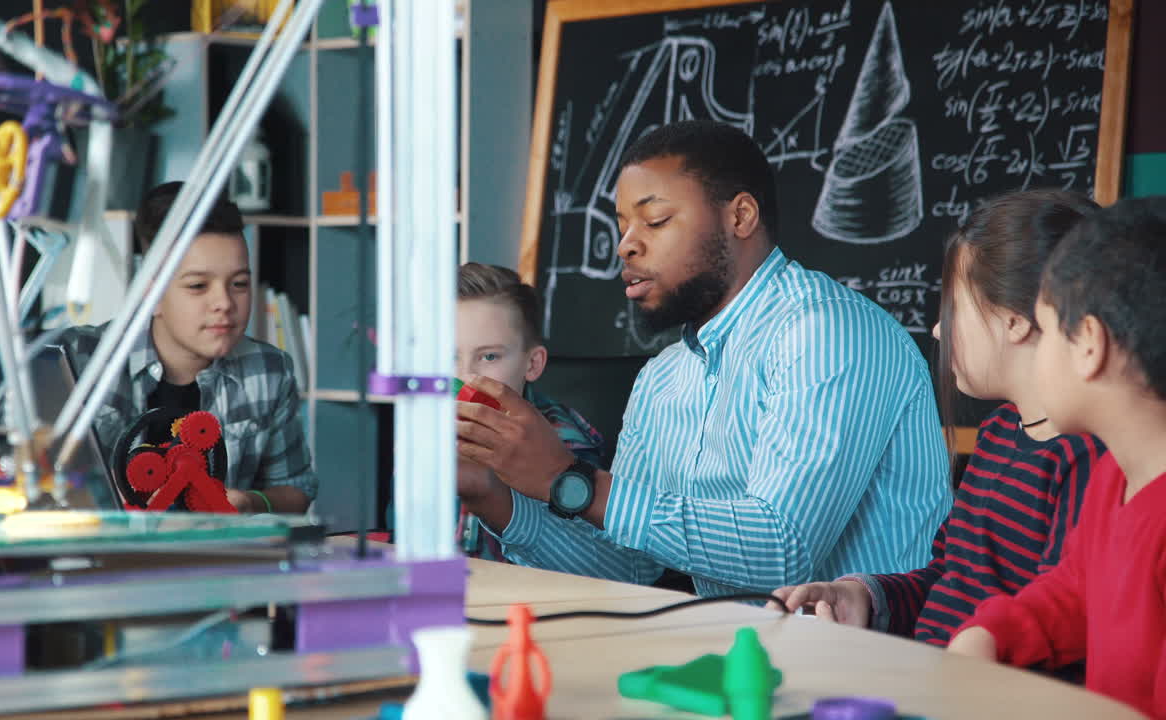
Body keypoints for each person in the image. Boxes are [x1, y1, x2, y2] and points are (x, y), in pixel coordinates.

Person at [455, 120, 951, 595]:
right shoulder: (662, 378)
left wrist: (568, 479)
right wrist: (490, 495)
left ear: (740, 217)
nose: (626, 246)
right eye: (622, 226)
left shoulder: (826, 331)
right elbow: (629, 569)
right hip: (737, 645)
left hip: (865, 651)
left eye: (655, 220)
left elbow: (783, 550)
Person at [767, 190, 1102, 669]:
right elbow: (949, 579)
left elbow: (1061, 625)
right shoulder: (998, 433)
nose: (939, 331)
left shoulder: (1086, 457)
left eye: (953, 310)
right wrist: (865, 598)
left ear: (1015, 321)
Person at [948, 196, 1166, 718]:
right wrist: (992, 633)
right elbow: (1075, 590)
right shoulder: (1115, 475)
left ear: (1089, 344)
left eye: (1046, 330)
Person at [63, 182, 315, 514]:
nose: (224, 302)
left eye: (239, 284)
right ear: (151, 294)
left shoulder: (269, 370)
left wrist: (250, 502)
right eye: (198, 286)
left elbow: (296, 490)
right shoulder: (76, 358)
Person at [453, 263, 603, 559]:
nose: (466, 376)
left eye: (489, 356)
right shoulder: (423, 430)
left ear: (532, 364)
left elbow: (587, 559)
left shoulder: (564, 445)